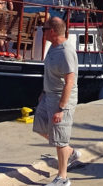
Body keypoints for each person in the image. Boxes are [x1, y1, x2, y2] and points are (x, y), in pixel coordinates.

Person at [33, 17, 81, 186]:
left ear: (52, 31)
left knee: (60, 138)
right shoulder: (52, 47)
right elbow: (50, 73)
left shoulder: (66, 51)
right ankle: (70, 152)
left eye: (44, 29)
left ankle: (63, 178)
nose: (42, 31)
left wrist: (61, 108)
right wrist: (43, 92)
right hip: (48, 95)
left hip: (62, 98)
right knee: (39, 125)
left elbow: (70, 82)